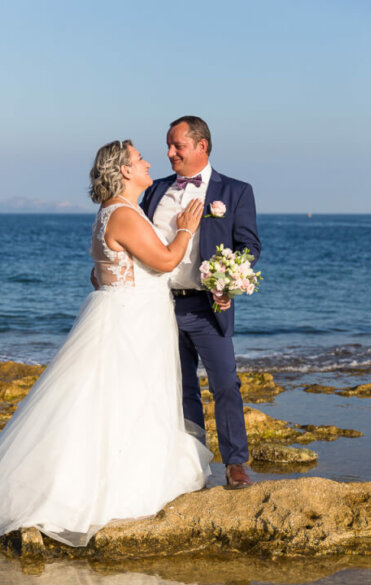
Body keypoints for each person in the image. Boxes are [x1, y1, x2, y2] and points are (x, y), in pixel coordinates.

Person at [0, 139, 212, 546]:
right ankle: (111, 493)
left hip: (128, 318)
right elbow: (167, 261)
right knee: (127, 401)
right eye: (139, 159)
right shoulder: (125, 215)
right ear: (124, 171)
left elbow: (99, 275)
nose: (149, 162)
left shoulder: (112, 212)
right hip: (132, 324)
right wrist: (186, 229)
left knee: (115, 400)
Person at [142, 116, 261, 488]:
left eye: (177, 145)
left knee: (225, 383)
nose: (169, 152)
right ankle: (193, 461)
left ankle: (235, 463)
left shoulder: (236, 191)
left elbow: (249, 247)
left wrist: (230, 281)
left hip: (209, 306)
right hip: (159, 305)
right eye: (169, 145)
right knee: (181, 387)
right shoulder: (156, 190)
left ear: (201, 146)